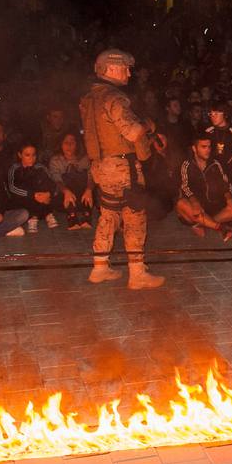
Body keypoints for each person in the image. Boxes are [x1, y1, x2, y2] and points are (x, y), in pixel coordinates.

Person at [79, 48, 164, 288]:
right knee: (135, 216)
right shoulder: (114, 97)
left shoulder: (88, 98)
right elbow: (133, 131)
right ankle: (137, 274)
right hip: (122, 167)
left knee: (108, 215)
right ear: (111, 68)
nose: (129, 72)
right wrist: (148, 124)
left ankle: (100, 268)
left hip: (100, 167)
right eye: (125, 67)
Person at [177, 136, 232, 239]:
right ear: (194, 149)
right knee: (181, 204)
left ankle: (204, 223)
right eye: (204, 147)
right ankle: (220, 227)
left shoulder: (215, 164)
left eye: (209, 147)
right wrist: (194, 202)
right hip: (198, 207)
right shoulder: (187, 165)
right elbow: (185, 187)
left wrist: (229, 199)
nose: (207, 150)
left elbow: (225, 184)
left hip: (215, 206)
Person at [6, 142, 58, 231]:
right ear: (20, 155)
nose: (31, 158)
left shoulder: (40, 167)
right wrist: (33, 195)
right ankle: (33, 217)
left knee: (42, 180)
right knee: (27, 183)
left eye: (34, 155)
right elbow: (12, 188)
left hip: (41, 198)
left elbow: (52, 184)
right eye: (27, 155)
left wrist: (48, 194)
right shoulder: (15, 168)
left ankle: (47, 214)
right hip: (24, 199)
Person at [48, 133, 93, 229]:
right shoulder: (56, 160)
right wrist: (66, 191)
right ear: (61, 144)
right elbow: (56, 180)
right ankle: (72, 216)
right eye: (66, 142)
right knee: (68, 175)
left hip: (82, 196)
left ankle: (86, 214)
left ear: (77, 144)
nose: (69, 146)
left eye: (72, 142)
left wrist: (89, 189)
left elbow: (91, 176)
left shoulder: (84, 159)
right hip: (63, 198)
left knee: (80, 176)